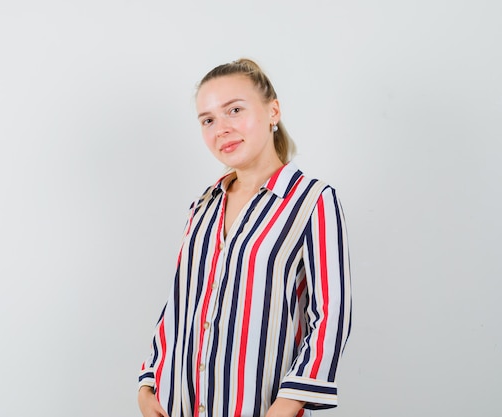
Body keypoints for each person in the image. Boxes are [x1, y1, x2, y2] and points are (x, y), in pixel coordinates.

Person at [138, 58, 352, 417]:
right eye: (208, 120)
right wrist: (148, 384)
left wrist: (287, 406)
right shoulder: (203, 207)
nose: (221, 128)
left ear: (273, 111)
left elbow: (331, 315)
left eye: (234, 110)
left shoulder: (313, 201)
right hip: (177, 405)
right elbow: (179, 303)